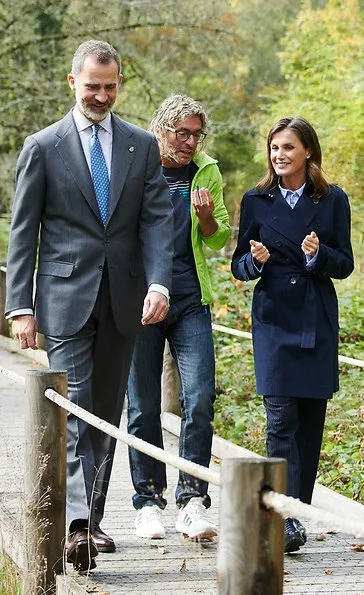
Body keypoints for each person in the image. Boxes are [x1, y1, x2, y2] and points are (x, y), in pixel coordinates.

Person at [5, 40, 174, 571]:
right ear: (72, 82)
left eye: (110, 86)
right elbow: (23, 231)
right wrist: (20, 307)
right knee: (74, 408)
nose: (101, 95)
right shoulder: (43, 146)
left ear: (119, 84)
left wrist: (159, 284)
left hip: (125, 299)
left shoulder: (141, 146)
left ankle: (90, 520)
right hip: (63, 296)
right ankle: (74, 523)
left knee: (103, 415)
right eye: (92, 86)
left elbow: (156, 222)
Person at [231, 116, 354, 553]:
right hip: (273, 320)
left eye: (287, 148)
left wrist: (319, 256)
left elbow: (345, 263)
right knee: (279, 418)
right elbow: (239, 265)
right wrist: (257, 261)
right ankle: (282, 517)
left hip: (315, 320)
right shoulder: (256, 199)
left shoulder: (332, 199)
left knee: (309, 424)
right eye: (274, 148)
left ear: (307, 153)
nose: (278, 155)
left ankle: (296, 513)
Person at [127, 94, 230, 540]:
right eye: (180, 133)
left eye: (195, 134)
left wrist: (206, 217)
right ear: (161, 129)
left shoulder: (205, 170)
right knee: (143, 405)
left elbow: (218, 237)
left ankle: (191, 501)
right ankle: (147, 500)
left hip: (190, 299)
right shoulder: (135, 163)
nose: (189, 142)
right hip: (143, 301)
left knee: (200, 398)